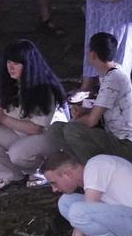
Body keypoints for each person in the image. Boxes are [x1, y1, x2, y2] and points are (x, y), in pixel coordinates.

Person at [0, 39, 64, 190]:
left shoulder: (44, 88)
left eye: (16, 63)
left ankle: (41, 172)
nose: (10, 67)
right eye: (8, 62)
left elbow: (36, 129)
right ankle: (11, 176)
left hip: (48, 139)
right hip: (17, 135)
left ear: (29, 65)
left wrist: (3, 118)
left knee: (18, 153)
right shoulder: (3, 83)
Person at [49, 33, 132, 164]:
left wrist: (75, 121)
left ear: (92, 54)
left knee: (72, 130)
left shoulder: (114, 78)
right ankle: (80, 171)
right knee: (56, 129)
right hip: (113, 137)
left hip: (125, 143)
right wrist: (84, 111)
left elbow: (91, 121)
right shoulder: (107, 74)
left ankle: (97, 173)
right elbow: (103, 110)